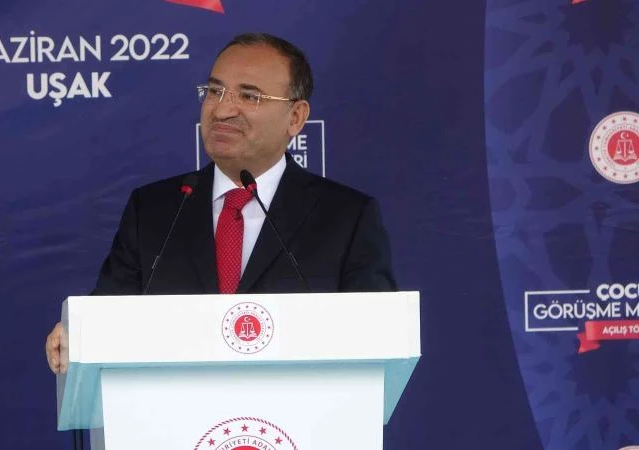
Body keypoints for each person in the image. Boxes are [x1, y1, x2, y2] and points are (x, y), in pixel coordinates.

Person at [45, 32, 397, 373]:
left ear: (296, 117)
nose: (222, 109)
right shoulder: (153, 211)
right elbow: (109, 317)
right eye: (215, 91)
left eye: (250, 96)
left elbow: (377, 339)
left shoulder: (346, 218)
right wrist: (80, 336)